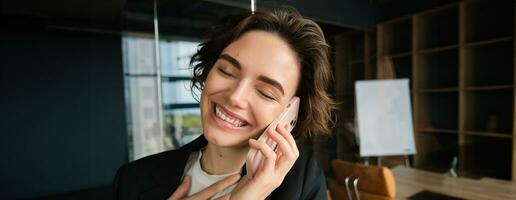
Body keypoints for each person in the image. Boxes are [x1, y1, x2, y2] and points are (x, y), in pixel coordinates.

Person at [113, 7, 335, 200]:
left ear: (291, 112)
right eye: (226, 71)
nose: (236, 97)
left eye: (266, 93)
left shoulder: (303, 182)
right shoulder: (133, 179)